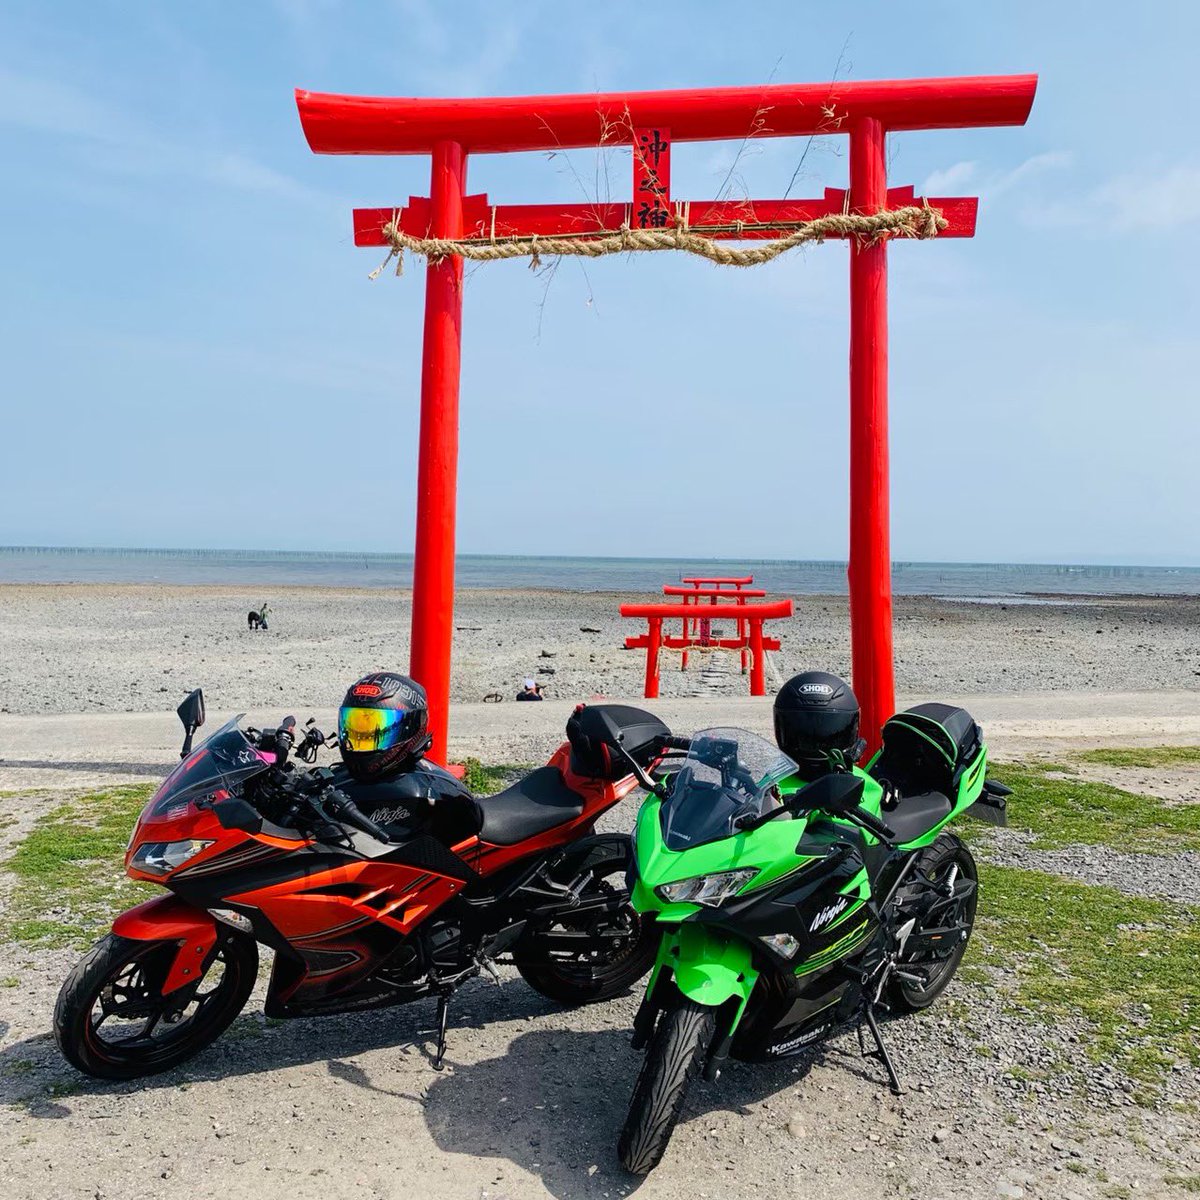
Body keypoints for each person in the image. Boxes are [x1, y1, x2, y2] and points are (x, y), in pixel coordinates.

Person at [332, 671, 480, 842]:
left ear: (410, 727)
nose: (361, 739)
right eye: (354, 729)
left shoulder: (426, 792)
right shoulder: (346, 777)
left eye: (374, 733)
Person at [772, 670, 865, 780]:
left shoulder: (772, 781)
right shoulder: (772, 784)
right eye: (806, 739)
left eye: (828, 739)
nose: (816, 748)